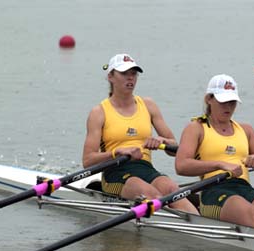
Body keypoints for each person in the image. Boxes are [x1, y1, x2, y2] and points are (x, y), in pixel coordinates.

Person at [175, 74, 254, 234]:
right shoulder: (196, 128)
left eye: (232, 102)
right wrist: (219, 164)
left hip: (244, 188)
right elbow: (181, 166)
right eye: (223, 101)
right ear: (209, 99)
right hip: (213, 191)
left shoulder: (246, 130)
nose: (228, 107)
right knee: (253, 215)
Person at [82, 53, 198, 215]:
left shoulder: (148, 105)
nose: (130, 78)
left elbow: (174, 148)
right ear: (110, 77)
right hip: (115, 173)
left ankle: (205, 229)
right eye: (124, 73)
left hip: (146, 168)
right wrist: (117, 152)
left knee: (173, 190)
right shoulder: (99, 113)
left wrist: (161, 140)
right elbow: (88, 161)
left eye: (133, 74)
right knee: (152, 195)